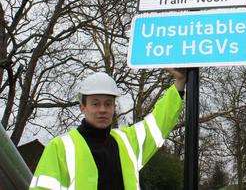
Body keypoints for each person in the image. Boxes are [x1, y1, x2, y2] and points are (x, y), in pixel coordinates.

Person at [30, 69, 186, 190]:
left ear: (114, 107)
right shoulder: (60, 146)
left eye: (108, 103)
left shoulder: (127, 141)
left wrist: (180, 81)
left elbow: (159, 122)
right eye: (95, 103)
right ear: (82, 107)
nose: (103, 109)